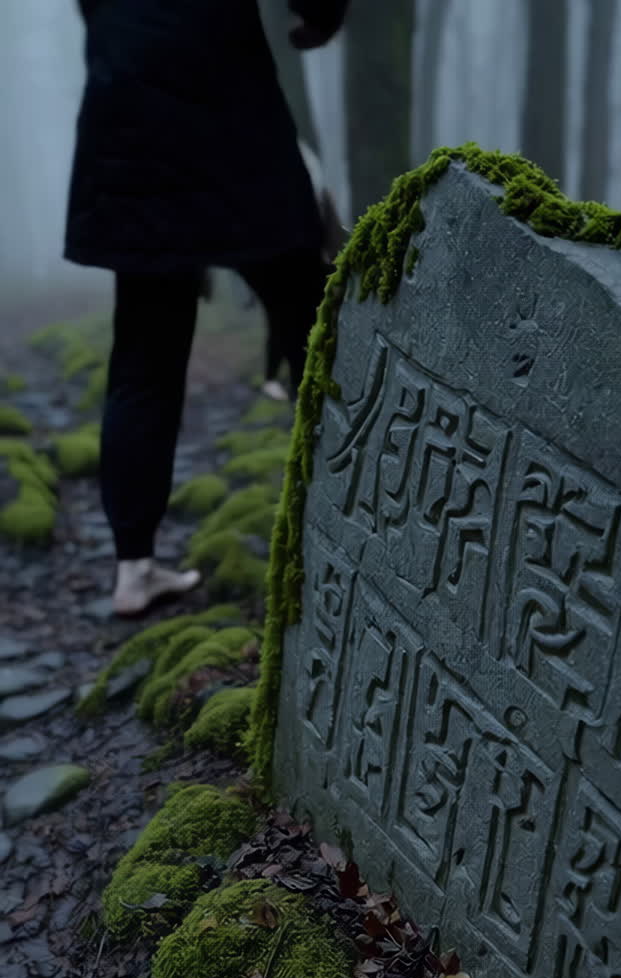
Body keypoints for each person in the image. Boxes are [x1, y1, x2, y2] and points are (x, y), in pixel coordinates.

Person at [66, 0, 349, 616]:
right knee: (316, 326)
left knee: (142, 357)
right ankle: (376, 515)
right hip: (226, 115)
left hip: (130, 124)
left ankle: (133, 569)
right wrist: (322, 15)